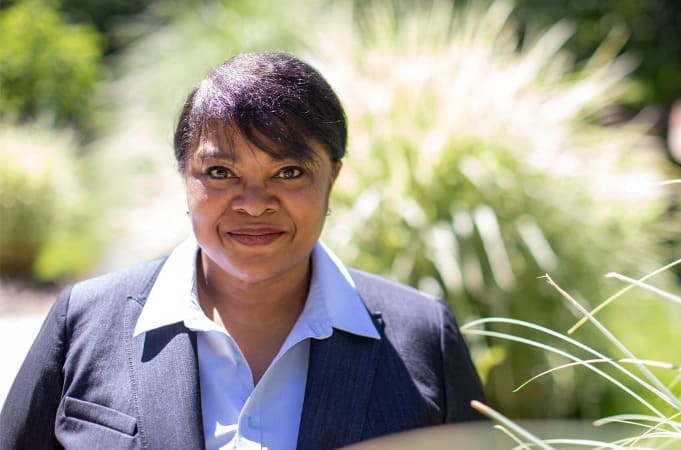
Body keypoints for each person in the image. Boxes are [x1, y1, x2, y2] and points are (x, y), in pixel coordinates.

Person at [0, 52, 486, 449]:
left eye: (289, 172)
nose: (254, 204)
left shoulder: (423, 338)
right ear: (184, 178)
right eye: (220, 173)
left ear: (332, 178)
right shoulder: (84, 321)